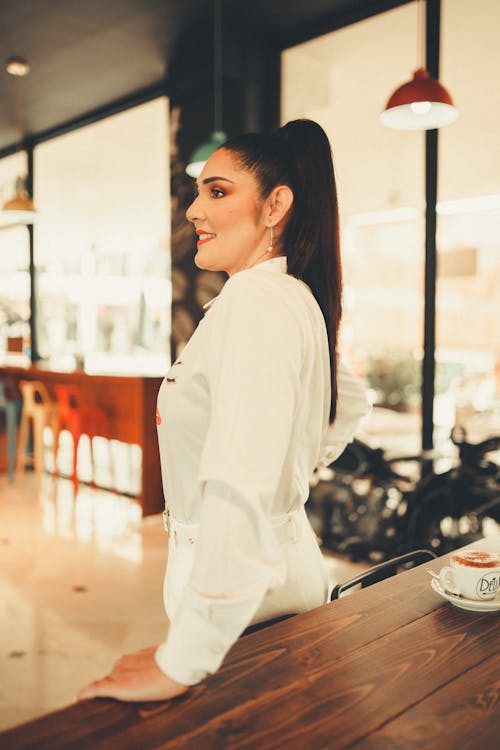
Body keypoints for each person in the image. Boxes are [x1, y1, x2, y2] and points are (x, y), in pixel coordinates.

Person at [78, 119, 370, 703]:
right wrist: (292, 461)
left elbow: (239, 483)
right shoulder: (275, 297)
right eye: (197, 192)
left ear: (274, 206)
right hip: (274, 573)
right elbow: (349, 399)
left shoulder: (259, 303)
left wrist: (181, 659)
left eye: (217, 191)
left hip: (251, 596)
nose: (193, 210)